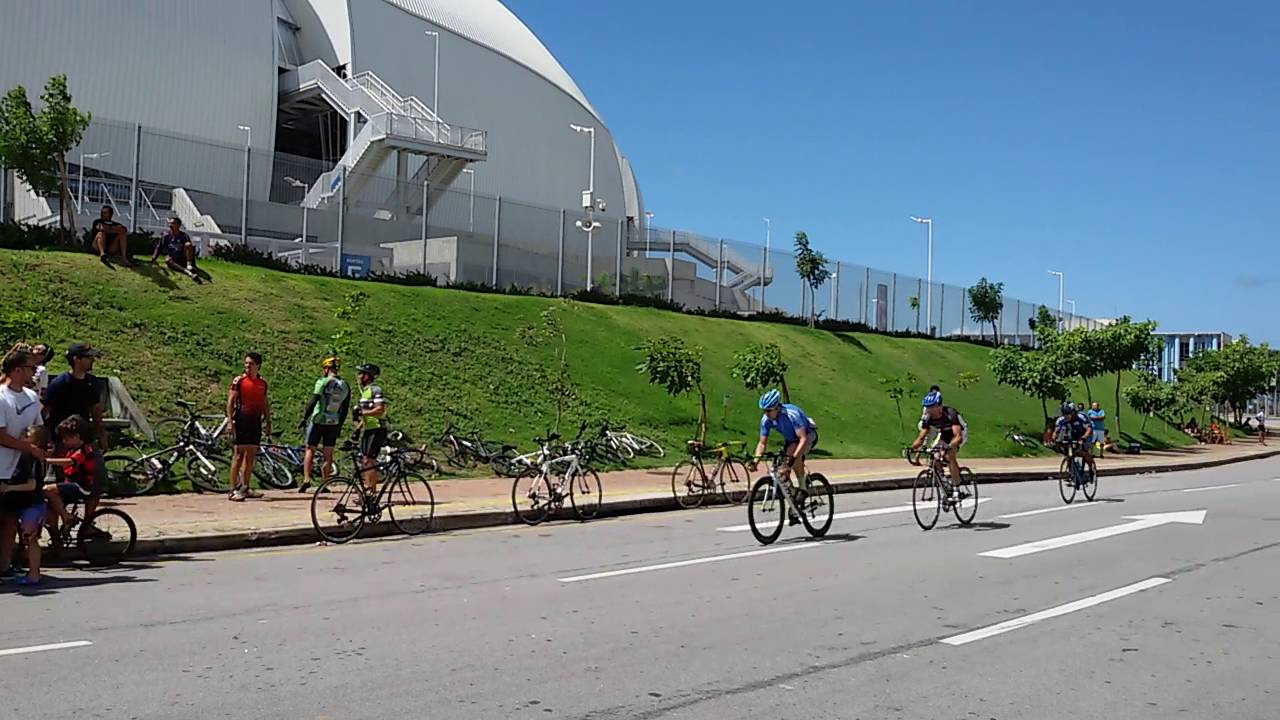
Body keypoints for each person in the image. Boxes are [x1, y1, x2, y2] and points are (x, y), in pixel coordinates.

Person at [0, 347, 47, 586]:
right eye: (30, 367)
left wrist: (40, 447)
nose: (34, 371)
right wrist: (26, 447)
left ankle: (5, 565)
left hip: (21, 471)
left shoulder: (30, 397)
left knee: (9, 521)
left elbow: (38, 428)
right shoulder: (1, 397)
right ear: (17, 370)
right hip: (1, 467)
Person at [751, 389, 818, 523]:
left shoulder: (791, 415)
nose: (766, 414)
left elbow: (803, 439)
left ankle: (803, 489)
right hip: (791, 439)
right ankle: (793, 501)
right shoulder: (766, 419)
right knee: (781, 471)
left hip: (807, 436)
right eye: (764, 411)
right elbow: (762, 443)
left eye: (768, 410)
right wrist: (756, 461)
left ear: (777, 408)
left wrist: (791, 462)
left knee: (793, 457)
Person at [42, 415, 105, 537]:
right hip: (71, 483)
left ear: (77, 437)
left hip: (82, 486)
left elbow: (70, 462)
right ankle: (57, 534)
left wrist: (47, 460)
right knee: (50, 504)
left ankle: (67, 517)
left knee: (48, 490)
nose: (63, 442)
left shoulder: (84, 450)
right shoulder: (73, 448)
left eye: (66, 438)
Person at [297, 357, 350, 493]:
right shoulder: (345, 385)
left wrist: (304, 418)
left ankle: (307, 479)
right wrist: (340, 425)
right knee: (328, 453)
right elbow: (345, 408)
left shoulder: (323, 382)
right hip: (334, 421)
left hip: (318, 420)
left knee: (310, 448)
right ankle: (325, 483)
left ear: (326, 369)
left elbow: (313, 401)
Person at [44, 343, 108, 451]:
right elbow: (44, 411)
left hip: (83, 440)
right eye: (88, 357)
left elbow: (96, 413)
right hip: (61, 440)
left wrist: (102, 435)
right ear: (76, 359)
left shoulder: (92, 383)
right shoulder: (59, 383)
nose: (93, 360)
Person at [225, 352, 271, 502]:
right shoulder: (239, 381)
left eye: (250, 364)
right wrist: (230, 421)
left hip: (255, 421)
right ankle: (232, 489)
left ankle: (245, 487)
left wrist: (268, 421)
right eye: (246, 363)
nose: (247, 366)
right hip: (241, 419)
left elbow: (264, 402)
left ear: (258, 366)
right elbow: (231, 401)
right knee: (238, 455)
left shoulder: (262, 383)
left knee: (251, 455)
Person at [910, 391, 967, 504]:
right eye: (927, 407)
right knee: (935, 456)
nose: (928, 409)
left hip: (959, 433)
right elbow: (921, 437)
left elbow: (957, 436)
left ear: (939, 406)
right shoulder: (928, 417)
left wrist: (949, 447)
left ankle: (956, 489)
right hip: (945, 434)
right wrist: (912, 449)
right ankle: (945, 484)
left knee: (950, 455)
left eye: (931, 407)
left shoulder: (950, 413)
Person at [352, 363, 387, 495]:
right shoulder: (365, 392)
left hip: (377, 428)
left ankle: (371, 491)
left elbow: (380, 409)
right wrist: (358, 428)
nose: (358, 376)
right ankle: (368, 488)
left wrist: (362, 413)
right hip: (369, 429)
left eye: (361, 374)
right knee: (365, 460)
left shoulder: (375, 390)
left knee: (369, 460)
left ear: (368, 376)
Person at [1054, 401, 1095, 475]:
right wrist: (1054, 439)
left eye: (1068, 414)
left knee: (1084, 452)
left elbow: (1089, 429)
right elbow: (1056, 431)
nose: (1066, 416)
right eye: (1064, 414)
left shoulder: (1081, 417)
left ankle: (1091, 467)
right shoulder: (1061, 420)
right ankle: (1071, 470)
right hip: (1073, 435)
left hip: (1085, 434)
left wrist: (1084, 437)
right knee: (1069, 451)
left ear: (1073, 413)